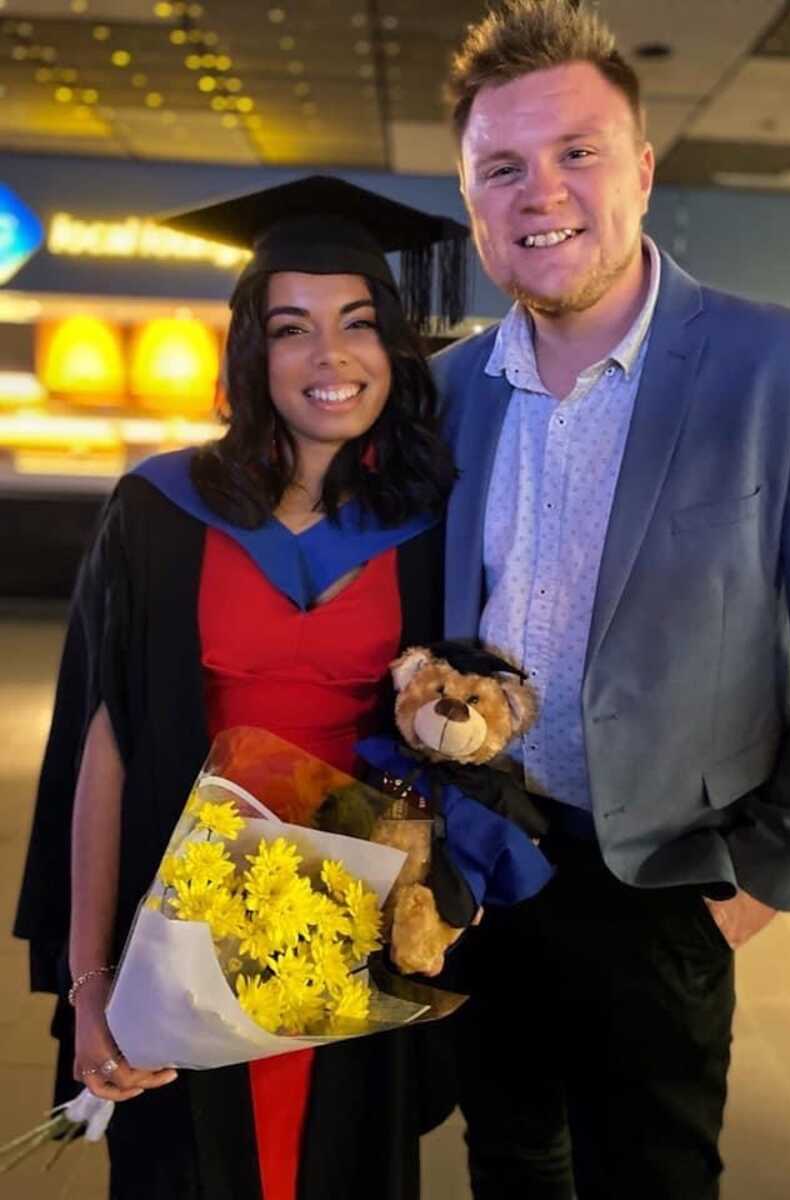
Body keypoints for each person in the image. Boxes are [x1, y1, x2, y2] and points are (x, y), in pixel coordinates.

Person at [432, 2, 790, 1197]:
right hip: (486, 871)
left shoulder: (787, 370)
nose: (542, 192)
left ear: (641, 169)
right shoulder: (445, 391)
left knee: (651, 1177)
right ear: (473, 203)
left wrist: (758, 883)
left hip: (671, 887)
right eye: (503, 167)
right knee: (509, 1155)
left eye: (576, 152)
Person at [14, 175, 469, 1200]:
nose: (331, 357)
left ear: (393, 347)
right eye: (292, 327)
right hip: (185, 932)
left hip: (352, 929)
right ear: (251, 353)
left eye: (358, 323)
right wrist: (92, 984)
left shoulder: (436, 526)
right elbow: (102, 758)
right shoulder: (159, 513)